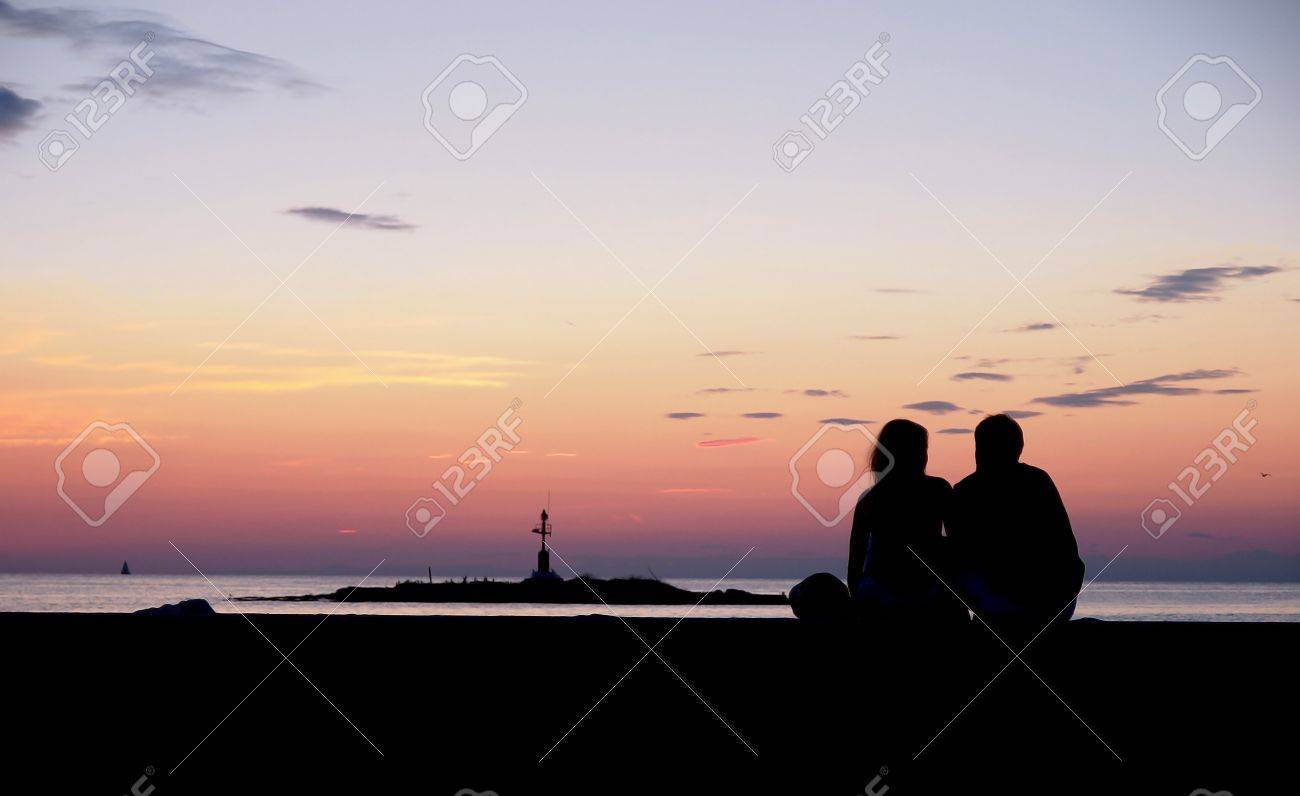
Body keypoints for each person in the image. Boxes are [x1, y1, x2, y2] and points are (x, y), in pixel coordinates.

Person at [947, 414, 1084, 631]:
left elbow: (961, 557)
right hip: (1054, 601)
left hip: (1017, 603)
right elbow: (1066, 551)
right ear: (1019, 448)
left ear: (979, 449)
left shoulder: (964, 492)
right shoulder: (1038, 480)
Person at [846, 419, 965, 622]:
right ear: (918, 454)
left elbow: (855, 565)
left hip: (879, 595)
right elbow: (960, 544)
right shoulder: (938, 489)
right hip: (927, 593)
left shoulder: (870, 500)